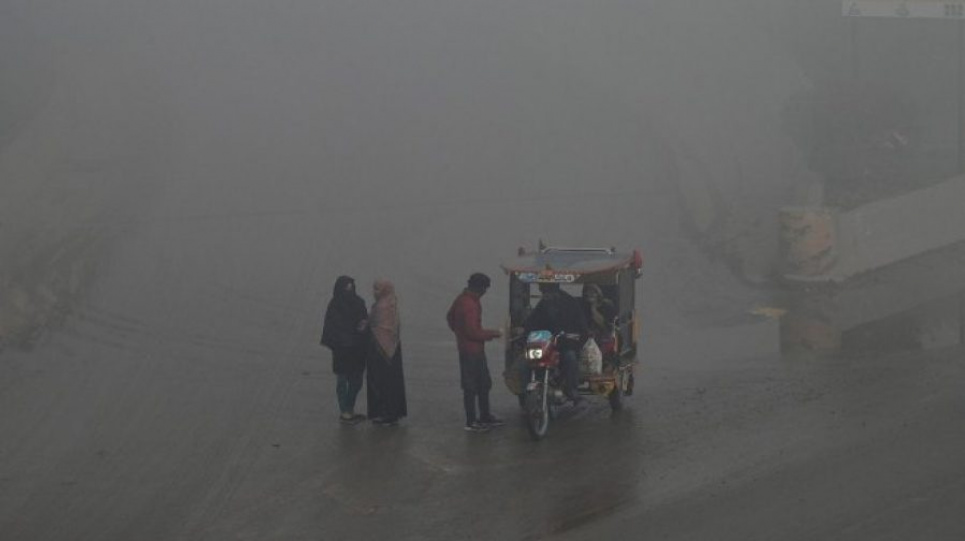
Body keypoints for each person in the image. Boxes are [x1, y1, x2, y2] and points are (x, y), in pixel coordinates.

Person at [447, 273, 504, 433]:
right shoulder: (470, 305)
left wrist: (459, 333)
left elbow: (450, 318)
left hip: (467, 349)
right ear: (480, 288)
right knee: (473, 386)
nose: (485, 292)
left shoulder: (460, 300)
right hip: (473, 351)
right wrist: (494, 334)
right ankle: (472, 421)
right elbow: (473, 332)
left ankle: (483, 416)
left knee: (482, 384)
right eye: (485, 289)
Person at [523, 282, 588, 403]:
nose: (543, 292)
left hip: (565, 344)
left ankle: (571, 390)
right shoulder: (543, 304)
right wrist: (524, 331)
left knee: (570, 358)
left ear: (554, 289)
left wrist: (573, 337)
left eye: (545, 289)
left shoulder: (570, 303)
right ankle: (524, 391)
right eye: (542, 289)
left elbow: (582, 328)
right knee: (526, 361)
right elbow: (532, 321)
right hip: (545, 343)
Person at [320, 276, 369, 424]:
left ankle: (348, 408)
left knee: (356, 381)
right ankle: (345, 411)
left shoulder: (359, 303)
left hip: (356, 350)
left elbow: (364, 322)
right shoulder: (334, 305)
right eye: (346, 288)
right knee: (342, 380)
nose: (349, 291)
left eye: (351, 288)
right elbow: (331, 327)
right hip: (343, 350)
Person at [366, 279, 407, 426]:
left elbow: (375, 326)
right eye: (374, 289)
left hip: (380, 350)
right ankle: (392, 412)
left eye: (378, 289)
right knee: (391, 383)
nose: (375, 292)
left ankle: (385, 414)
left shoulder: (382, 306)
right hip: (393, 349)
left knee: (381, 383)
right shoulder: (391, 304)